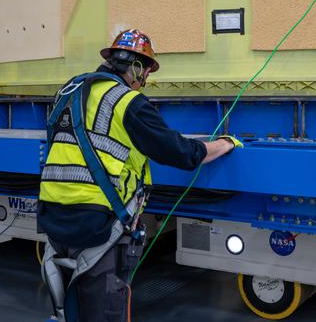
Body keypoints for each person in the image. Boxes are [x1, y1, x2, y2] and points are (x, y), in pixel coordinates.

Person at [38, 29, 242, 322]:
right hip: (97, 222)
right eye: (146, 72)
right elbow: (182, 153)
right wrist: (224, 144)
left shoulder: (67, 92)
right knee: (102, 309)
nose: (144, 80)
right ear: (135, 67)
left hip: (52, 216)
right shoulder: (127, 101)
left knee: (69, 309)